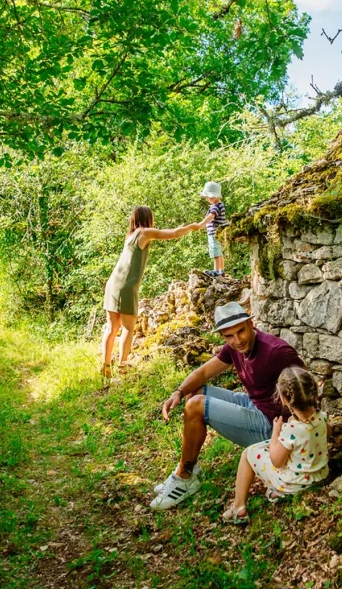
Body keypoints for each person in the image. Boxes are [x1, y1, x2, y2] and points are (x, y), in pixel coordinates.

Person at [151, 301, 304, 510]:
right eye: (229, 336)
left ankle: (184, 479)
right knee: (194, 392)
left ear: (251, 324)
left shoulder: (276, 352)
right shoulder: (234, 348)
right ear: (223, 336)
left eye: (241, 331)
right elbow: (204, 373)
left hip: (273, 427)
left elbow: (306, 386)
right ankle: (188, 469)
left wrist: (305, 432)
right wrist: (178, 392)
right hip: (255, 405)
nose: (237, 340)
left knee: (196, 405)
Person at [102, 206, 203, 386]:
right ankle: (122, 368)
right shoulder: (145, 232)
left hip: (112, 284)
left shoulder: (131, 235)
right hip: (126, 286)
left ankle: (105, 366)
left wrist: (179, 229)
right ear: (147, 218)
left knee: (112, 327)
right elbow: (173, 234)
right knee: (128, 328)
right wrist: (190, 227)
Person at [223, 366, 328, 523]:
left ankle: (238, 507)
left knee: (249, 453)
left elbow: (276, 461)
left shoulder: (292, 430)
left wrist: (276, 433)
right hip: (320, 475)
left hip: (296, 483)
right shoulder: (322, 417)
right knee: (268, 448)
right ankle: (276, 493)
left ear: (284, 399)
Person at [198, 181, 227, 277]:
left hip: (214, 233)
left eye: (208, 196)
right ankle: (221, 270)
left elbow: (211, 217)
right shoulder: (219, 205)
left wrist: (201, 224)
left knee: (215, 252)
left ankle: (216, 271)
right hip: (218, 232)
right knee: (219, 252)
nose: (206, 199)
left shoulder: (216, 206)